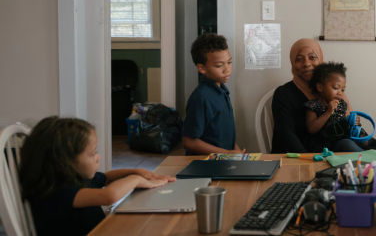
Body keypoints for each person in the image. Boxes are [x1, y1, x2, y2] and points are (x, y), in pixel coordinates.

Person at [19, 116, 175, 236]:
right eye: (93, 153)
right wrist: (136, 180)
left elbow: (106, 178)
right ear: (65, 160)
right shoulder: (56, 193)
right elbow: (109, 195)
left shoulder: (76, 180)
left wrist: (135, 171)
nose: (98, 157)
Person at [271, 39, 362, 153]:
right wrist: (308, 162)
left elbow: (350, 126)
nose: (306, 64)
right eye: (299, 59)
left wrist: (360, 132)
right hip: (302, 156)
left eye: (312, 57)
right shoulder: (283, 94)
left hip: (339, 151)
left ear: (320, 59)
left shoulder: (332, 91)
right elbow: (287, 136)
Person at [182, 33, 245, 155]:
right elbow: (189, 142)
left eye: (229, 62)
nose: (227, 69)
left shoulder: (222, 91)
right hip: (204, 166)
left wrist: (235, 150)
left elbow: (221, 134)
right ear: (202, 68)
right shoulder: (201, 97)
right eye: (219, 65)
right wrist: (226, 153)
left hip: (223, 162)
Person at [304, 62, 365, 149]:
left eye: (342, 89)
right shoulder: (313, 105)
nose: (340, 92)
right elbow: (311, 129)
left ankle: (368, 158)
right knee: (347, 144)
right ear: (320, 87)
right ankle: (366, 160)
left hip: (345, 139)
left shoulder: (342, 104)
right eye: (336, 88)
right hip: (327, 146)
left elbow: (343, 123)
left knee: (364, 141)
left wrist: (353, 121)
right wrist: (328, 112)